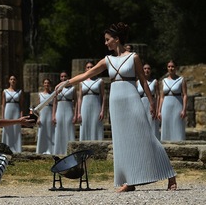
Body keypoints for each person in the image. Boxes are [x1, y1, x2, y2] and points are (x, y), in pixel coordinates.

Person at [55, 22, 177, 192]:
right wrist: (66, 83)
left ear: (116, 39)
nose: (105, 43)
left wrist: (151, 102)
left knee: (147, 137)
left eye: (107, 39)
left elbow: (142, 80)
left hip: (132, 99)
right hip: (116, 103)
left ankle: (170, 175)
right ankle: (129, 181)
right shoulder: (107, 60)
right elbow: (87, 74)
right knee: (122, 141)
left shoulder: (133, 57)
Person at [158, 60, 187, 141]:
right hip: (166, 106)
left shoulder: (181, 80)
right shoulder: (164, 81)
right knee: (166, 125)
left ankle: (180, 145)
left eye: (172, 66)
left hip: (177, 105)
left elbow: (185, 95)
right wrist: (159, 111)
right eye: (169, 67)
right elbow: (161, 97)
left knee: (177, 125)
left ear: (176, 68)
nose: (171, 68)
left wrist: (184, 110)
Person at [77, 61, 105, 140]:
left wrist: (102, 111)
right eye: (88, 67)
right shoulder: (82, 82)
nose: (90, 68)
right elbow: (80, 98)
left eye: (91, 67)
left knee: (96, 125)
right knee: (84, 125)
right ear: (85, 69)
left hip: (96, 106)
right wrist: (78, 112)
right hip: (84, 107)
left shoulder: (100, 81)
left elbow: (103, 97)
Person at [52, 71, 77, 155]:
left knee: (69, 130)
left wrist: (75, 114)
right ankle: (58, 151)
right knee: (59, 130)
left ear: (68, 77)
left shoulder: (72, 89)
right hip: (59, 110)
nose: (63, 78)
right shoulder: (57, 89)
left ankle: (70, 151)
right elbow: (55, 102)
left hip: (69, 110)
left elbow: (76, 102)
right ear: (60, 78)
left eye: (65, 76)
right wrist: (53, 115)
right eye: (62, 76)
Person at [136, 63, 161, 139]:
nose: (147, 70)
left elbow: (158, 96)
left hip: (151, 105)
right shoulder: (137, 82)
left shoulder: (155, 82)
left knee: (152, 125)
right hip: (141, 104)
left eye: (148, 68)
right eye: (145, 68)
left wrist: (157, 109)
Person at [1, 75, 24, 153]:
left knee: (16, 129)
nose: (12, 81)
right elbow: (3, 105)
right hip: (8, 110)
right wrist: (2, 117)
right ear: (9, 81)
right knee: (7, 129)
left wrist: (21, 115)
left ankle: (17, 149)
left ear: (16, 81)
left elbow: (21, 105)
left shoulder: (19, 92)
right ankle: (6, 147)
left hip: (16, 110)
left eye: (14, 79)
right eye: (11, 79)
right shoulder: (5, 91)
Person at [36, 78, 55, 154]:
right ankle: (41, 150)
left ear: (50, 84)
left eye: (48, 83)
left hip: (50, 113)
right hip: (42, 114)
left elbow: (54, 106)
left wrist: (54, 116)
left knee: (50, 131)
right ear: (43, 84)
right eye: (45, 83)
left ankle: (51, 150)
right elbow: (38, 107)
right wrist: (38, 117)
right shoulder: (40, 95)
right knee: (42, 131)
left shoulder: (53, 95)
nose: (46, 84)